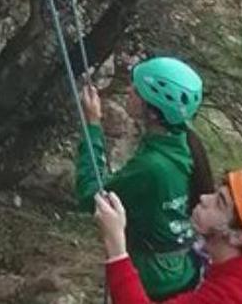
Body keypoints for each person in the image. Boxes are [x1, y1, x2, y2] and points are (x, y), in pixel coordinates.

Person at [77, 56, 215, 300]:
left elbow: (91, 196)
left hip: (150, 279)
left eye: (137, 90)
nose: (129, 90)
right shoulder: (184, 142)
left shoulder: (152, 167)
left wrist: (92, 126)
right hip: (180, 268)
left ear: (153, 113)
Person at [93, 169, 242, 304]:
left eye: (219, 203)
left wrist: (116, 247)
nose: (203, 198)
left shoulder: (233, 294)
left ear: (237, 236)